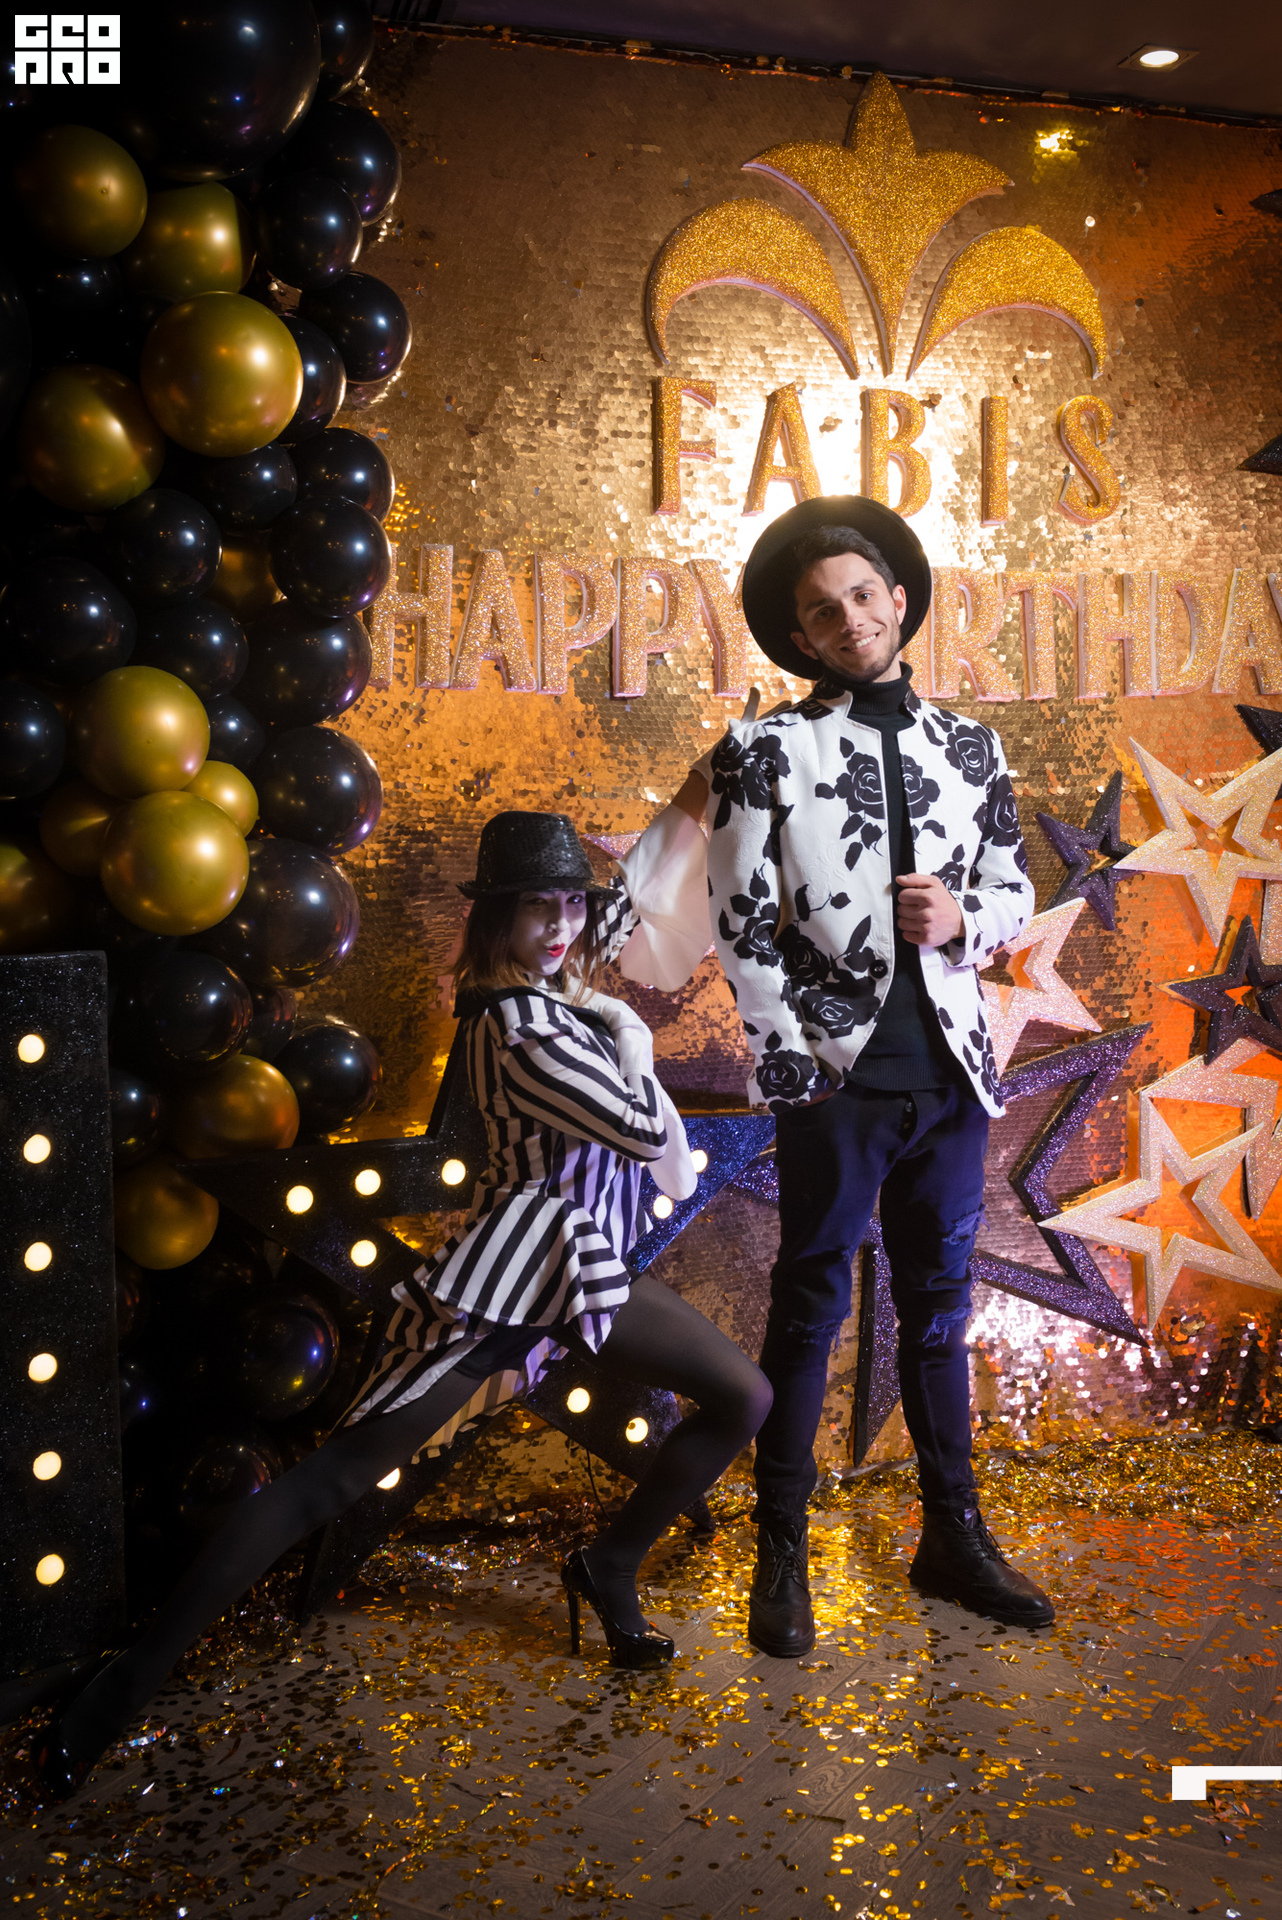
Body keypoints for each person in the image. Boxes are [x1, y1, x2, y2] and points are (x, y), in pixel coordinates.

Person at [37, 806, 771, 1801]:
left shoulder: (558, 991)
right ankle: (124, 1685)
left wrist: (623, 953)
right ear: (496, 918)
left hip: (585, 1271)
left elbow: (617, 943)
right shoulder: (518, 1028)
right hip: (511, 1281)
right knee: (328, 1483)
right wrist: (630, 1033)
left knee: (743, 1396)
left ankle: (607, 1565)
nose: (558, 926)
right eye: (535, 908)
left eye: (568, 904)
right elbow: (644, 1132)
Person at [696, 494, 1054, 1655]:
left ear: (897, 601)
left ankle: (952, 1538)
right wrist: (788, 1064)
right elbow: (740, 921)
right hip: (836, 1083)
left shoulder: (972, 747)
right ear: (799, 636)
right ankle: (781, 1550)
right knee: (809, 1310)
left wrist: (963, 919)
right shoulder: (766, 752)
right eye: (821, 611)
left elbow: (1013, 889)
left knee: (938, 1314)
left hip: (950, 1079)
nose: (848, 618)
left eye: (862, 595)